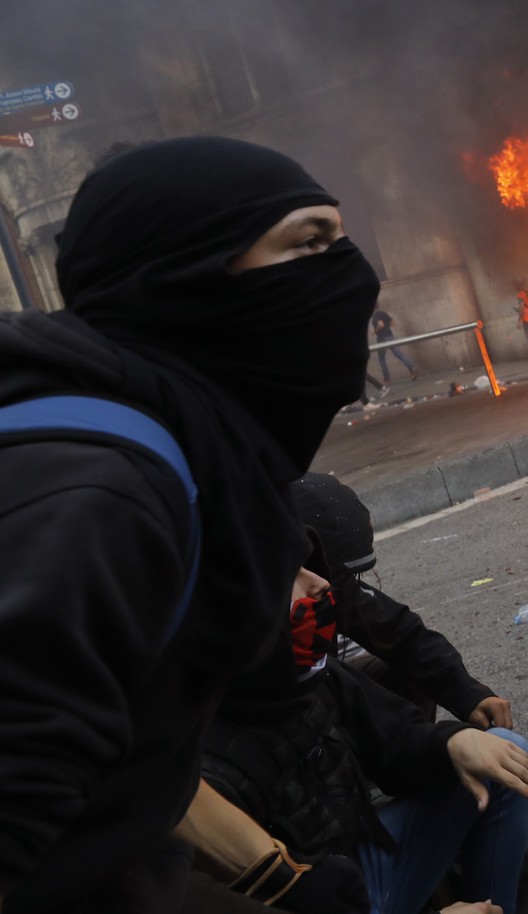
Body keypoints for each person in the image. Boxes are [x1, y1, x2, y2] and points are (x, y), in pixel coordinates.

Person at [0, 136, 380, 912]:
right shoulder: (104, 493)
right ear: (184, 273)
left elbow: (121, 791)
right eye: (308, 242)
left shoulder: (190, 448)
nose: (352, 274)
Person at [199, 563, 528, 914]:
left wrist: (452, 742)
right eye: (289, 574)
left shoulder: (308, 674)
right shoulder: (203, 766)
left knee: (505, 753)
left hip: (363, 861)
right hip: (317, 901)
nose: (320, 583)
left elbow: (398, 739)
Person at [290, 472, 528, 914]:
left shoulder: (318, 670)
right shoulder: (205, 733)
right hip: (323, 885)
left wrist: (458, 724)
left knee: (501, 755)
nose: (322, 590)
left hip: (342, 839)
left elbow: (403, 636)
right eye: (295, 575)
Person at [371, 309, 417, 386]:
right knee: (399, 355)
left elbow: (381, 325)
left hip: (382, 339)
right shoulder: (383, 313)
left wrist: (375, 331)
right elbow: (393, 323)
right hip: (390, 336)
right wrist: (386, 327)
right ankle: (412, 368)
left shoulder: (376, 315)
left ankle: (387, 379)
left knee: (382, 359)